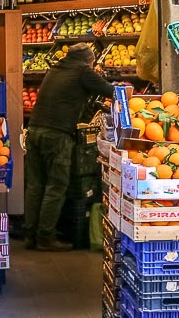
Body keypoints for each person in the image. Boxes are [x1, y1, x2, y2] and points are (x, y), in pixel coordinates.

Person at [24, 42, 114, 251]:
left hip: (35, 130)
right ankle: (45, 237)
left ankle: (30, 234)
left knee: (35, 185)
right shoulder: (83, 71)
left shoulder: (56, 68)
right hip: (56, 134)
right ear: (89, 60)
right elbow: (110, 91)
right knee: (56, 185)